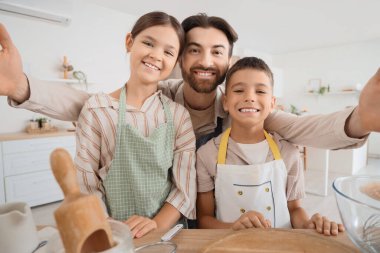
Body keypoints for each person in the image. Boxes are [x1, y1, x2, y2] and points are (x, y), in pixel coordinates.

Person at [0, 14, 378, 151]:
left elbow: (298, 128)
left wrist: (359, 119)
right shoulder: (158, 96)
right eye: (194, 50)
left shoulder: (238, 106)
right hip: (165, 218)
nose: (205, 62)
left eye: (217, 52)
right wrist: (21, 86)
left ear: (229, 60)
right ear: (179, 58)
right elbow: (88, 105)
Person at [74, 11, 196, 238]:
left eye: (168, 51)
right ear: (129, 42)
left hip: (166, 233)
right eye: (148, 43)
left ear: (176, 61)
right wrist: (114, 230)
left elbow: (184, 190)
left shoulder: (179, 116)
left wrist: (156, 226)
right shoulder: (97, 110)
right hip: (111, 234)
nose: (156, 55)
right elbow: (86, 187)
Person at [196, 57, 345, 235]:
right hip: (229, 245)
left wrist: (309, 225)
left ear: (272, 103)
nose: (250, 97)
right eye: (239, 90)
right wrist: (232, 228)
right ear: (225, 102)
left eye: (260, 91)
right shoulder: (206, 154)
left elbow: (295, 209)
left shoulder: (288, 151)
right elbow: (204, 219)